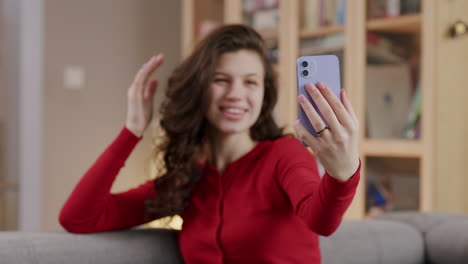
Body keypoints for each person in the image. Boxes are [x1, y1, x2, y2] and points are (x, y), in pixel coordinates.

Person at [59, 24, 360, 264]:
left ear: (263, 94)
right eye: (221, 79)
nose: (236, 94)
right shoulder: (186, 179)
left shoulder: (284, 154)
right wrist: (132, 131)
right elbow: (79, 217)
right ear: (199, 88)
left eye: (250, 82)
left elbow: (321, 220)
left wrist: (342, 173)